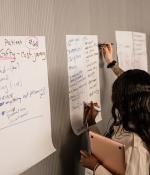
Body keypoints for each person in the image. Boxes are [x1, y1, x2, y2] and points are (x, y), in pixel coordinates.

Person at [80, 43, 150, 175]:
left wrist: (96, 167)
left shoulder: (135, 148)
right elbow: (137, 87)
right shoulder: (139, 120)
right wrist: (91, 123)